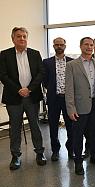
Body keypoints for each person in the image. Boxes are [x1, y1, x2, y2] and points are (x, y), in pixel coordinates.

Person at [0, 27, 47, 170]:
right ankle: (16, 156)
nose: (22, 39)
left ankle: (40, 153)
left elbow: (41, 73)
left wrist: (29, 88)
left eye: (24, 36)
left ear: (27, 38)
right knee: (14, 127)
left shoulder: (35, 54)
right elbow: (2, 75)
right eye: (19, 36)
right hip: (13, 97)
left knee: (35, 125)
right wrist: (18, 89)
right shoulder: (4, 54)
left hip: (32, 96)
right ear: (13, 38)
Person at [65, 37, 95, 175]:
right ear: (80, 46)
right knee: (78, 136)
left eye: (91, 45)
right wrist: (71, 108)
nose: (89, 47)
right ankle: (78, 162)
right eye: (86, 44)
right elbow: (69, 89)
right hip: (79, 107)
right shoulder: (72, 65)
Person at [42, 37, 73, 161]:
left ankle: (71, 149)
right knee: (53, 126)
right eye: (57, 44)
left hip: (68, 100)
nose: (59, 46)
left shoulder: (72, 61)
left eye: (61, 44)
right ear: (53, 46)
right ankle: (55, 150)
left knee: (71, 126)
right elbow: (44, 80)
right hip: (54, 99)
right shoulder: (46, 62)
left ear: (65, 46)